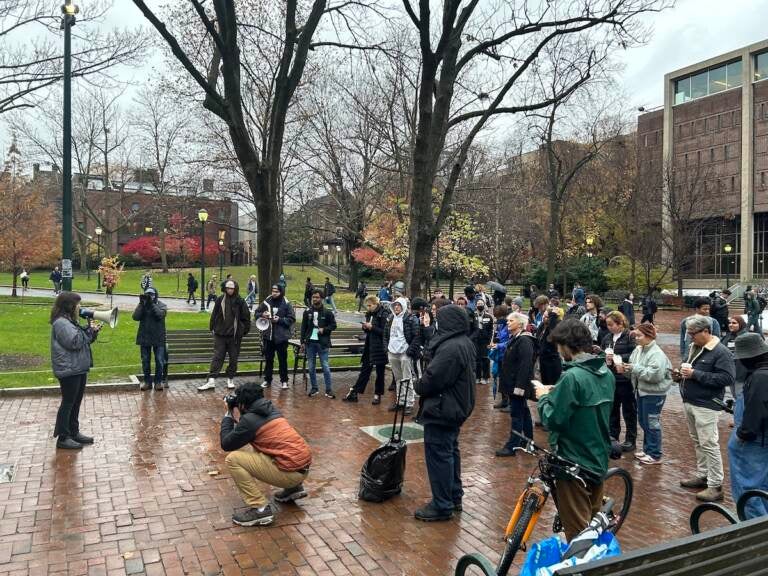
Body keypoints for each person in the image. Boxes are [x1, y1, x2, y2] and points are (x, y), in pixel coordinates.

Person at [535, 318, 615, 541]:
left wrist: (543, 398)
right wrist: (557, 393)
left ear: (567, 346)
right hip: (597, 455)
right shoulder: (605, 373)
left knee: (578, 534)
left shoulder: (571, 377)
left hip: (573, 459)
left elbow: (554, 420)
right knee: (593, 520)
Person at [413, 304, 476, 521]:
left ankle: (442, 504)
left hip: (443, 409)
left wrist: (417, 384)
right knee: (450, 452)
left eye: (439, 319)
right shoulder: (462, 342)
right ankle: (454, 496)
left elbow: (433, 379)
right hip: (453, 407)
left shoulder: (451, 347)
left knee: (439, 455)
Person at [220, 383, 311, 527]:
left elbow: (226, 444)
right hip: (302, 469)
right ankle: (294, 489)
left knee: (233, 459)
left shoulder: (249, 420)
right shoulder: (270, 409)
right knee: (265, 446)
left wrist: (228, 415)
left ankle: (260, 509)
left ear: (243, 403)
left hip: (289, 473)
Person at [674, 315, 735, 502]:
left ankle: (716, 485)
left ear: (706, 331)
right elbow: (689, 370)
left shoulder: (720, 351)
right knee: (698, 441)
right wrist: (679, 375)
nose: (690, 337)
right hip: (691, 401)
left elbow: (727, 378)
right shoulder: (695, 347)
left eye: (693, 333)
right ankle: (703, 475)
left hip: (707, 404)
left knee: (709, 444)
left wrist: (695, 374)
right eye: (688, 333)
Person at [50, 292, 101, 449]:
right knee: (68, 402)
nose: (80, 307)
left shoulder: (70, 322)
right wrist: (89, 332)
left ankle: (73, 431)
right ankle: (63, 437)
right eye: (78, 304)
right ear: (69, 305)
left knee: (75, 402)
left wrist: (92, 333)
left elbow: (82, 340)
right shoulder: (61, 323)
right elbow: (74, 342)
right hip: (69, 369)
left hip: (77, 368)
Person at [729, 334, 768, 519]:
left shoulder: (760, 376)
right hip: (762, 437)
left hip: (755, 440)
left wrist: (744, 433)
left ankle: (754, 533)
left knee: (748, 489)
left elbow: (756, 408)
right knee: (763, 486)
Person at [627, 322, 673, 464]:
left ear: (649, 336)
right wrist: (626, 369)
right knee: (644, 421)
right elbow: (635, 369)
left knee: (652, 422)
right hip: (642, 391)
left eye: (639, 336)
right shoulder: (639, 349)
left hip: (654, 394)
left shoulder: (657, 353)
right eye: (636, 335)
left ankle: (655, 454)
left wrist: (633, 368)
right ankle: (648, 449)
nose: (637, 338)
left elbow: (655, 375)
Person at [198, 280, 252, 392]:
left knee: (233, 358)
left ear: (235, 288)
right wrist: (212, 327)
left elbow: (246, 317)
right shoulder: (220, 300)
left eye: (232, 288)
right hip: (220, 335)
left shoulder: (240, 301)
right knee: (218, 357)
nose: (230, 290)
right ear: (225, 288)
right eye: (228, 288)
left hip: (234, 336)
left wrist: (243, 331)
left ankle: (230, 379)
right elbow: (214, 314)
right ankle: (211, 380)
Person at [495, 312, 536, 457]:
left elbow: (526, 365)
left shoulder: (524, 340)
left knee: (517, 414)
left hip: (517, 385)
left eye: (511, 321)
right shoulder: (516, 339)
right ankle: (528, 441)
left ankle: (512, 445)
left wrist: (520, 386)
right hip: (513, 383)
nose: (508, 323)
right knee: (523, 411)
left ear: (520, 324)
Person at [343, 295, 390, 404]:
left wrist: (372, 328)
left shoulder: (384, 314)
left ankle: (378, 394)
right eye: (367, 306)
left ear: (376, 304)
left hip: (380, 347)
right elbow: (370, 330)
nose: (368, 308)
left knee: (380, 372)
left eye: (370, 305)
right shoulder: (370, 314)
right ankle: (355, 391)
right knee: (365, 370)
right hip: (369, 345)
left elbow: (385, 332)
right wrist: (365, 327)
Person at [602, 311, 637, 452]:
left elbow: (634, 354)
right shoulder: (607, 338)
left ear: (620, 323)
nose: (609, 327)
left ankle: (630, 439)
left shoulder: (630, 336)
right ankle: (613, 436)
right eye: (607, 325)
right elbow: (602, 352)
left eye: (611, 324)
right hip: (611, 379)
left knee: (629, 410)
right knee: (613, 409)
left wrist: (617, 357)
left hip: (625, 379)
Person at [384, 297, 420, 414]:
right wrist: (387, 349)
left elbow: (416, 336)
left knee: (407, 378)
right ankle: (400, 401)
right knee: (398, 378)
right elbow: (385, 335)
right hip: (392, 352)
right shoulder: (390, 318)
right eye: (395, 305)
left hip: (404, 352)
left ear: (403, 306)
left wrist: (409, 351)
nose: (396, 307)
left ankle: (409, 403)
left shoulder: (411, 318)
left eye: (399, 305)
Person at [256, 285, 296, 390]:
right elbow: (256, 313)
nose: (274, 293)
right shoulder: (267, 301)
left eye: (276, 291)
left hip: (281, 338)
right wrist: (262, 314)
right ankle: (267, 380)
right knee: (269, 359)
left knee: (282, 360)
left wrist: (280, 320)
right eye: (273, 291)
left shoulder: (286, 303)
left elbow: (291, 318)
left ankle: (284, 381)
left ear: (281, 292)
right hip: (268, 336)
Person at [300, 289, 337, 398]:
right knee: (311, 367)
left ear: (321, 298)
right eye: (313, 297)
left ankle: (329, 389)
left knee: (325, 366)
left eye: (317, 297)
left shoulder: (327, 312)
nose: (315, 299)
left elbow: (333, 325)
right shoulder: (307, 312)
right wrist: (302, 342)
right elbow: (303, 327)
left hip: (322, 343)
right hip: (310, 343)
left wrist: (324, 329)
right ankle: (314, 388)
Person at [132, 287, 168, 392]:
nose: (150, 296)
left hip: (158, 337)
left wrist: (152, 304)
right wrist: (141, 304)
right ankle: (147, 382)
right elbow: (135, 317)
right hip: (145, 337)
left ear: (156, 295)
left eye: (152, 294)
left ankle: (158, 382)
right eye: (148, 294)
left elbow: (159, 315)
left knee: (159, 361)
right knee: (145, 361)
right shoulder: (143, 306)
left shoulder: (162, 305)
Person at [531, 295, 562, 386]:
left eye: (546, 317)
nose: (544, 318)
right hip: (542, 359)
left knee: (552, 384)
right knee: (544, 384)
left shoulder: (554, 323)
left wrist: (552, 316)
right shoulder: (542, 325)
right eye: (543, 317)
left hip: (552, 360)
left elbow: (553, 334)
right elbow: (538, 337)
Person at [721, 316, 748, 400]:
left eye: (734, 323)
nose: (731, 325)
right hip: (730, 372)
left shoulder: (747, 337)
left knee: (741, 396)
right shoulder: (728, 336)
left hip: (742, 373)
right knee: (735, 396)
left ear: (741, 324)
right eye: (730, 323)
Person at [490, 304, 511, 410]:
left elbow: (511, 341)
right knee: (501, 378)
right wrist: (496, 340)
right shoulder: (501, 325)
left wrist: (499, 345)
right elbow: (500, 336)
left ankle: (510, 403)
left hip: (507, 355)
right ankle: (504, 400)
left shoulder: (509, 324)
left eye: (499, 316)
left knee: (507, 379)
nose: (498, 319)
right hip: (500, 355)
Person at [473, 299, 494, 385]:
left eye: (481, 303)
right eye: (478, 303)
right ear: (476, 305)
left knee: (485, 359)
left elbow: (491, 329)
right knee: (477, 359)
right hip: (476, 341)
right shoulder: (473, 315)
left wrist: (490, 341)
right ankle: (477, 377)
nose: (480, 305)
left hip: (485, 341)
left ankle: (486, 377)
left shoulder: (489, 317)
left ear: (484, 305)